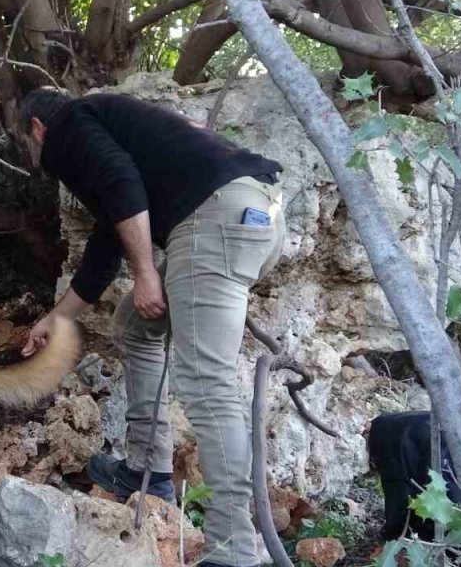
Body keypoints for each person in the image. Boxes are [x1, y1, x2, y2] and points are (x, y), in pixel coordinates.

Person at [16, 87, 285, 567]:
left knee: (207, 382)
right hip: (255, 215)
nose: (35, 155)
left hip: (216, 220)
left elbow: (122, 186)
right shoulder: (115, 124)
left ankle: (234, 548)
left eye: (28, 144)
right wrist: (52, 322)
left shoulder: (70, 126)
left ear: (37, 128)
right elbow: (107, 242)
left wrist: (145, 274)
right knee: (135, 329)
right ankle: (148, 469)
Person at [367, 411, 461, 542]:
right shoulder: (399, 421)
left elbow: (399, 496)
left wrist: (389, 538)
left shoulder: (385, 443)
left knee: (450, 524)